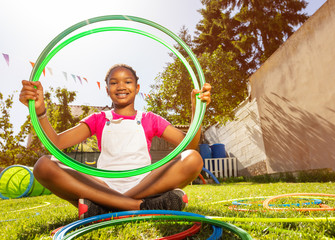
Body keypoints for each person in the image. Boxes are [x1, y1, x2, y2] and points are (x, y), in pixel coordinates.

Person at [19, 63, 211, 219]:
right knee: (43, 165)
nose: (121, 86)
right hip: (102, 185)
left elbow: (189, 147)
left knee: (193, 158)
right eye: (114, 82)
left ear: (136, 88)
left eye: (127, 81)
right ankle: (138, 207)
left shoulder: (150, 119)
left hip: (144, 184)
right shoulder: (98, 118)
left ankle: (105, 208)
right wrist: (40, 111)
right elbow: (56, 144)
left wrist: (197, 111)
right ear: (107, 89)